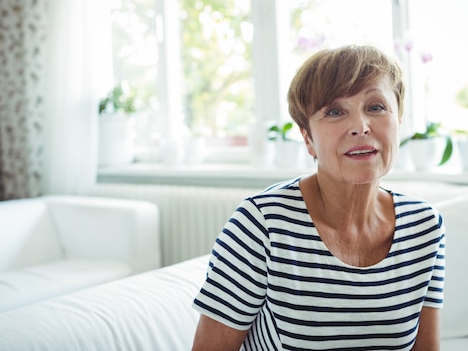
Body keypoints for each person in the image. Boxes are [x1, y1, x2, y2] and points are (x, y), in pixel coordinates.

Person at [191, 45, 445, 351]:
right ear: (308, 139)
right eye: (335, 112)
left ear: (398, 121)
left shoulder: (424, 226)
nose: (360, 127)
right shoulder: (261, 224)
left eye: (376, 107)